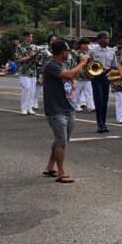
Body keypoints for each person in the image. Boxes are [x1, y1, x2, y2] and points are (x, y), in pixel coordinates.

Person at [43, 39, 89, 183]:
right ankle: (61, 173)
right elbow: (67, 75)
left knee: (60, 139)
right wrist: (82, 63)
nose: (69, 52)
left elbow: (69, 78)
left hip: (68, 107)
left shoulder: (65, 65)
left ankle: (50, 166)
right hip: (56, 110)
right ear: (62, 51)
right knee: (62, 141)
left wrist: (73, 83)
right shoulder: (51, 66)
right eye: (68, 50)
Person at [89, 31, 118, 133]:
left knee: (105, 101)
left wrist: (114, 79)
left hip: (106, 75)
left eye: (107, 38)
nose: (107, 40)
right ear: (99, 40)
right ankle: (100, 124)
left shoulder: (112, 51)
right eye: (104, 38)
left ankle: (104, 124)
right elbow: (87, 64)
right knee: (99, 100)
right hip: (96, 76)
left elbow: (114, 66)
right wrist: (90, 74)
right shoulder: (93, 51)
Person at [14, 31, 40, 111]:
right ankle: (24, 108)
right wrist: (29, 57)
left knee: (32, 90)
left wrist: (35, 57)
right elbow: (19, 60)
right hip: (24, 70)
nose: (30, 38)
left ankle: (30, 107)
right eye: (28, 36)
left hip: (32, 70)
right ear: (24, 37)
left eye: (31, 37)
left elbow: (36, 61)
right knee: (27, 88)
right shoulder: (19, 47)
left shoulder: (34, 47)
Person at [70, 39, 95, 112]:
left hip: (87, 75)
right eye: (85, 44)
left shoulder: (89, 52)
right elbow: (74, 63)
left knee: (89, 91)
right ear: (80, 45)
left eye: (87, 44)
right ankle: (75, 105)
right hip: (78, 75)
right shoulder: (76, 53)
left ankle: (91, 106)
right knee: (77, 92)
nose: (87, 45)